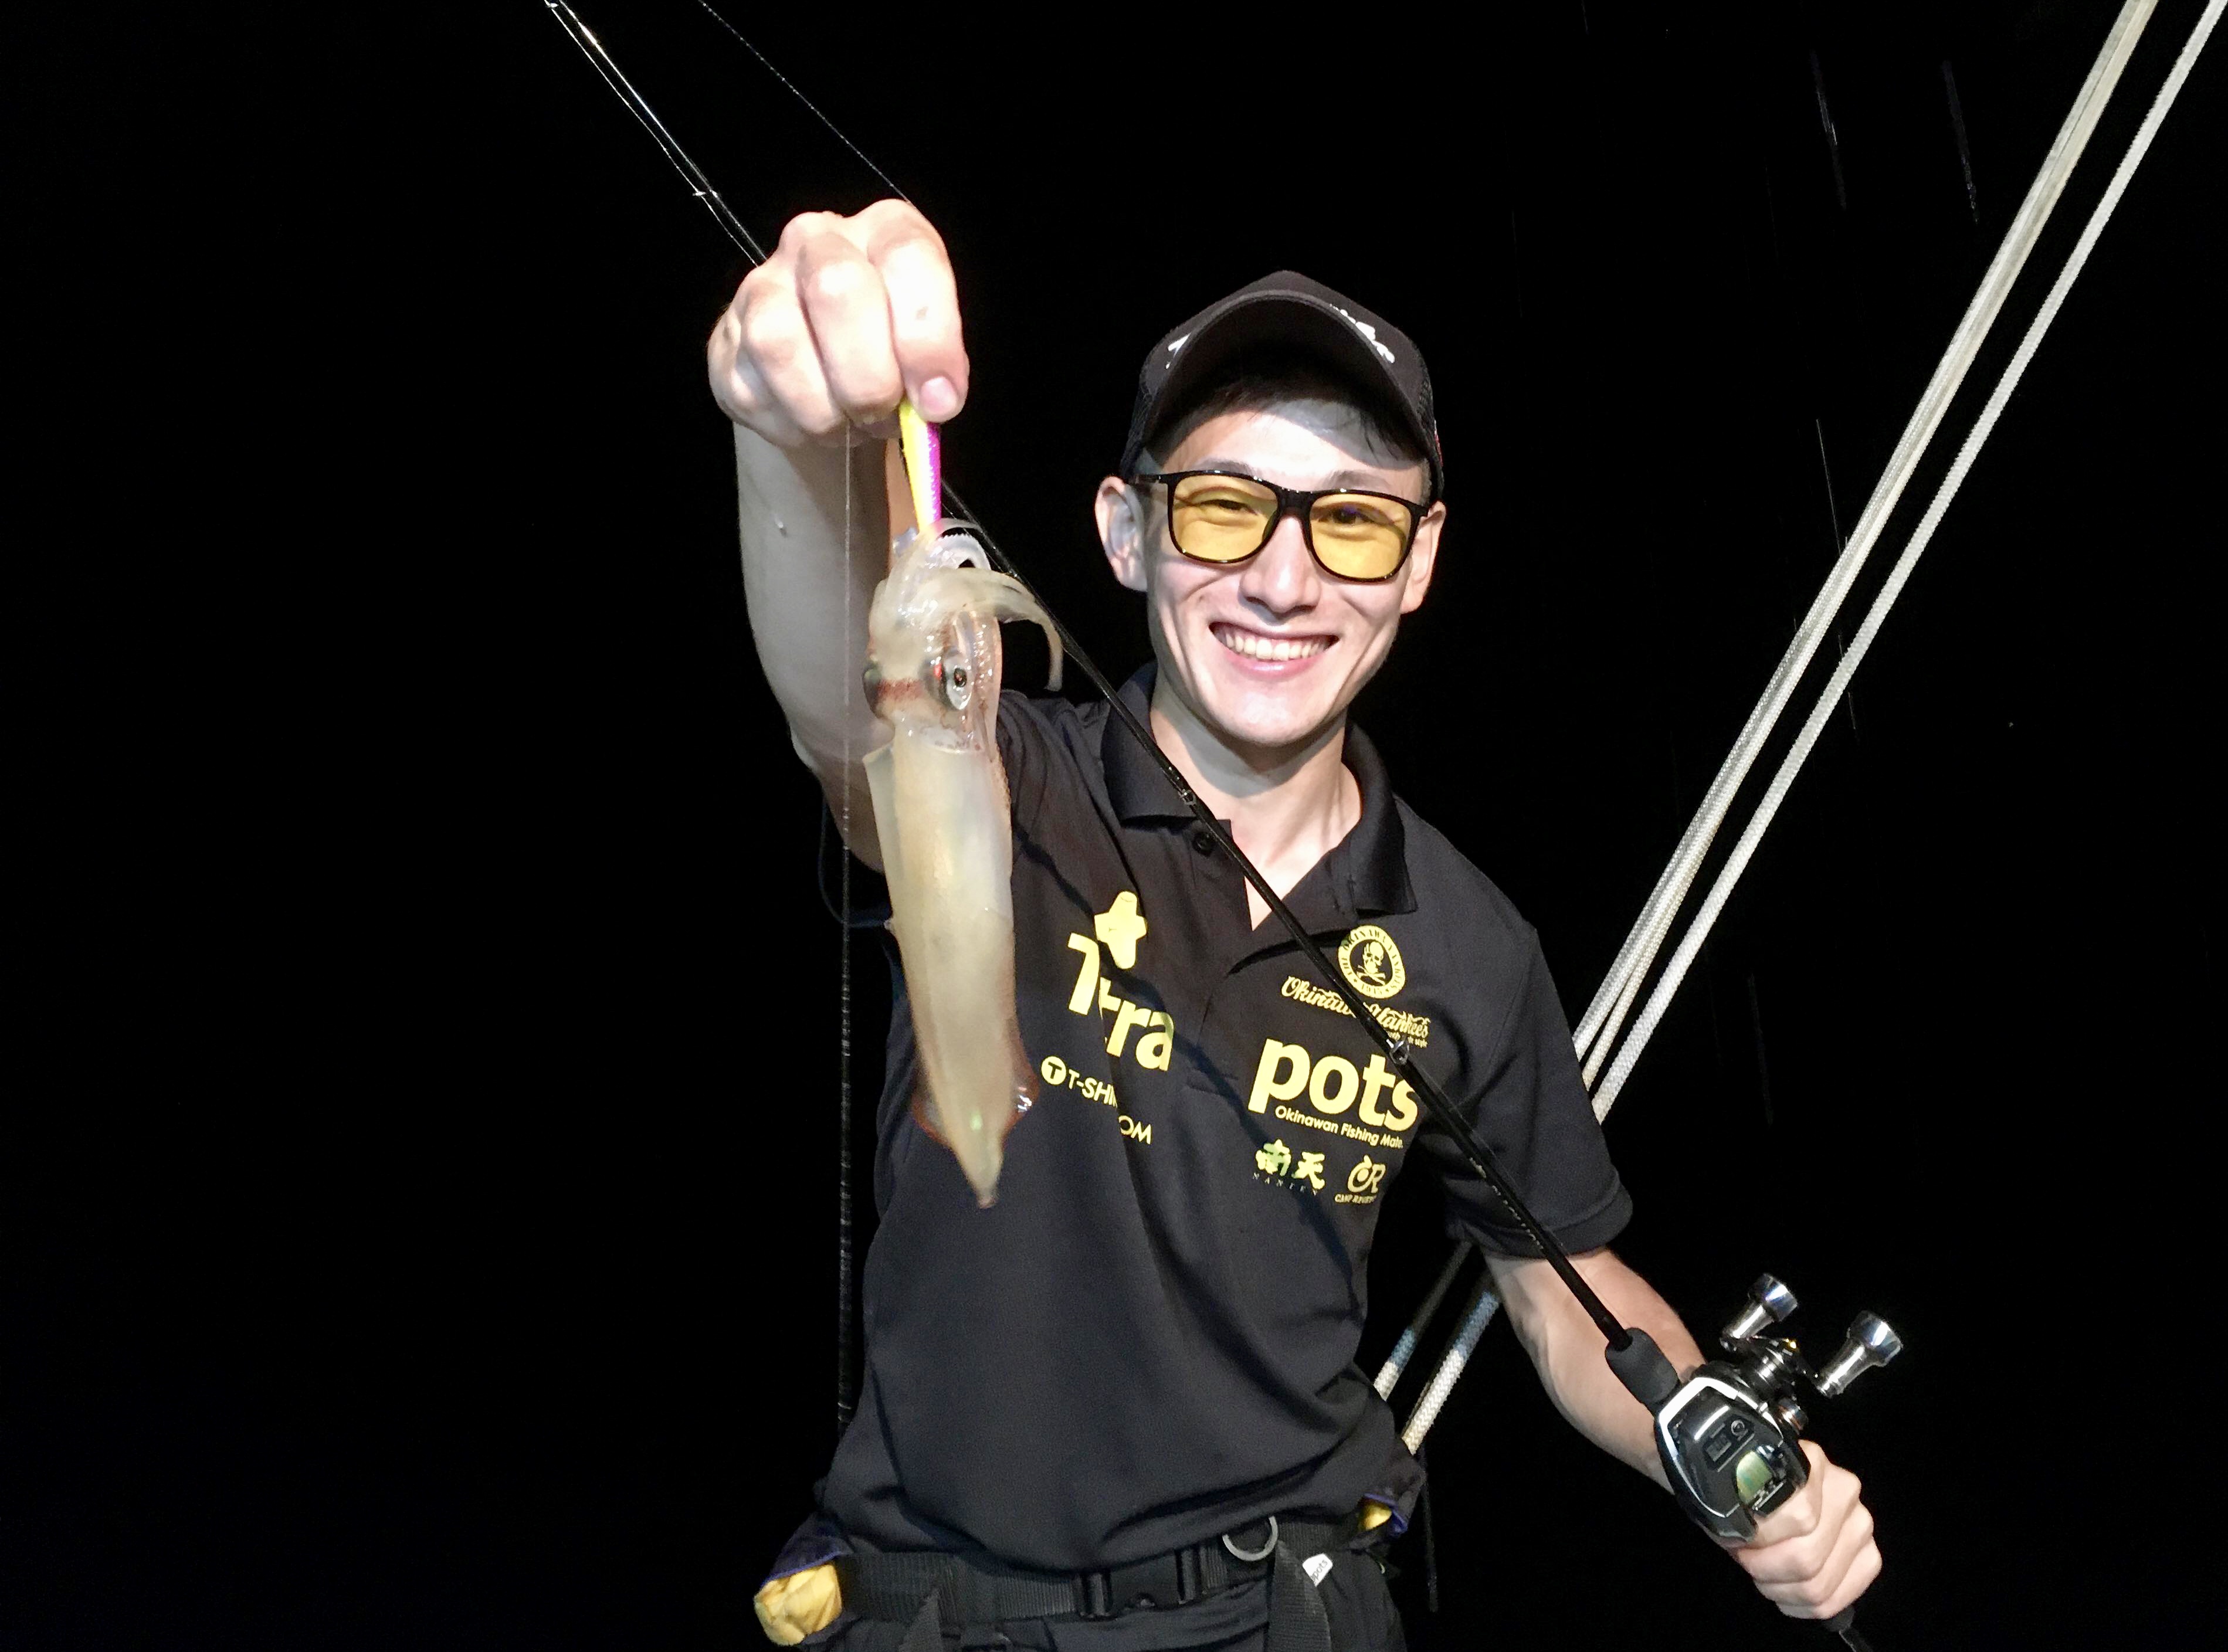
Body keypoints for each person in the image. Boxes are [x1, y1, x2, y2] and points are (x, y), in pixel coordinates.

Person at [710, 200, 1879, 1651]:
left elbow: (1562, 1287)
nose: (1282, 577)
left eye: (1353, 520)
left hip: (1281, 1610)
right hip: (937, 1609)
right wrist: (787, 440)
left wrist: (1735, 1472)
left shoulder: (1467, 941)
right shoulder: (998, 780)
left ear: (1420, 560)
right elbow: (841, 697)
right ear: (1125, 531)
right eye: (1222, 506)